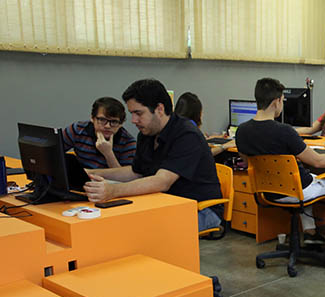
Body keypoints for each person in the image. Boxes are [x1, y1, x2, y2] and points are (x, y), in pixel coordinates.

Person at [235, 78, 325, 261]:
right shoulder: (284, 132)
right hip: (296, 190)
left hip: (267, 192)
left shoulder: (242, 131)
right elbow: (317, 161)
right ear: (277, 101)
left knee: (308, 178)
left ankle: (310, 233)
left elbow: (249, 163)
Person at [83, 79, 223, 232]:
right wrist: (90, 173)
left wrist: (113, 191)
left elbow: (162, 182)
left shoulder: (187, 135)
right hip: (166, 203)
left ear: (159, 109)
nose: (133, 120)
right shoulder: (147, 133)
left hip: (201, 210)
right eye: (132, 114)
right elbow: (135, 172)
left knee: (141, 230)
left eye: (138, 113)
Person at [62, 97, 137, 169]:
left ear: (121, 123)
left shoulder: (128, 143)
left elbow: (125, 178)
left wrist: (108, 154)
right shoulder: (78, 129)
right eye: (102, 120)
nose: (107, 126)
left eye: (114, 122)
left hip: (109, 181)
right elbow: (54, 151)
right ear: (92, 118)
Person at [174, 92, 235, 156]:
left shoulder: (176, 125)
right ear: (197, 113)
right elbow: (204, 155)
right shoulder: (190, 128)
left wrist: (211, 138)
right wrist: (224, 146)